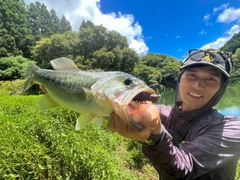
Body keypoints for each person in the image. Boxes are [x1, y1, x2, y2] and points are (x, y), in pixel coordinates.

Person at [107, 48, 240, 180]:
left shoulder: (231, 129)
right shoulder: (164, 112)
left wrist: (156, 135)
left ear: (220, 88)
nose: (198, 85)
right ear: (180, 78)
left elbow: (182, 171)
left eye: (210, 79)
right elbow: (109, 109)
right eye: (192, 75)